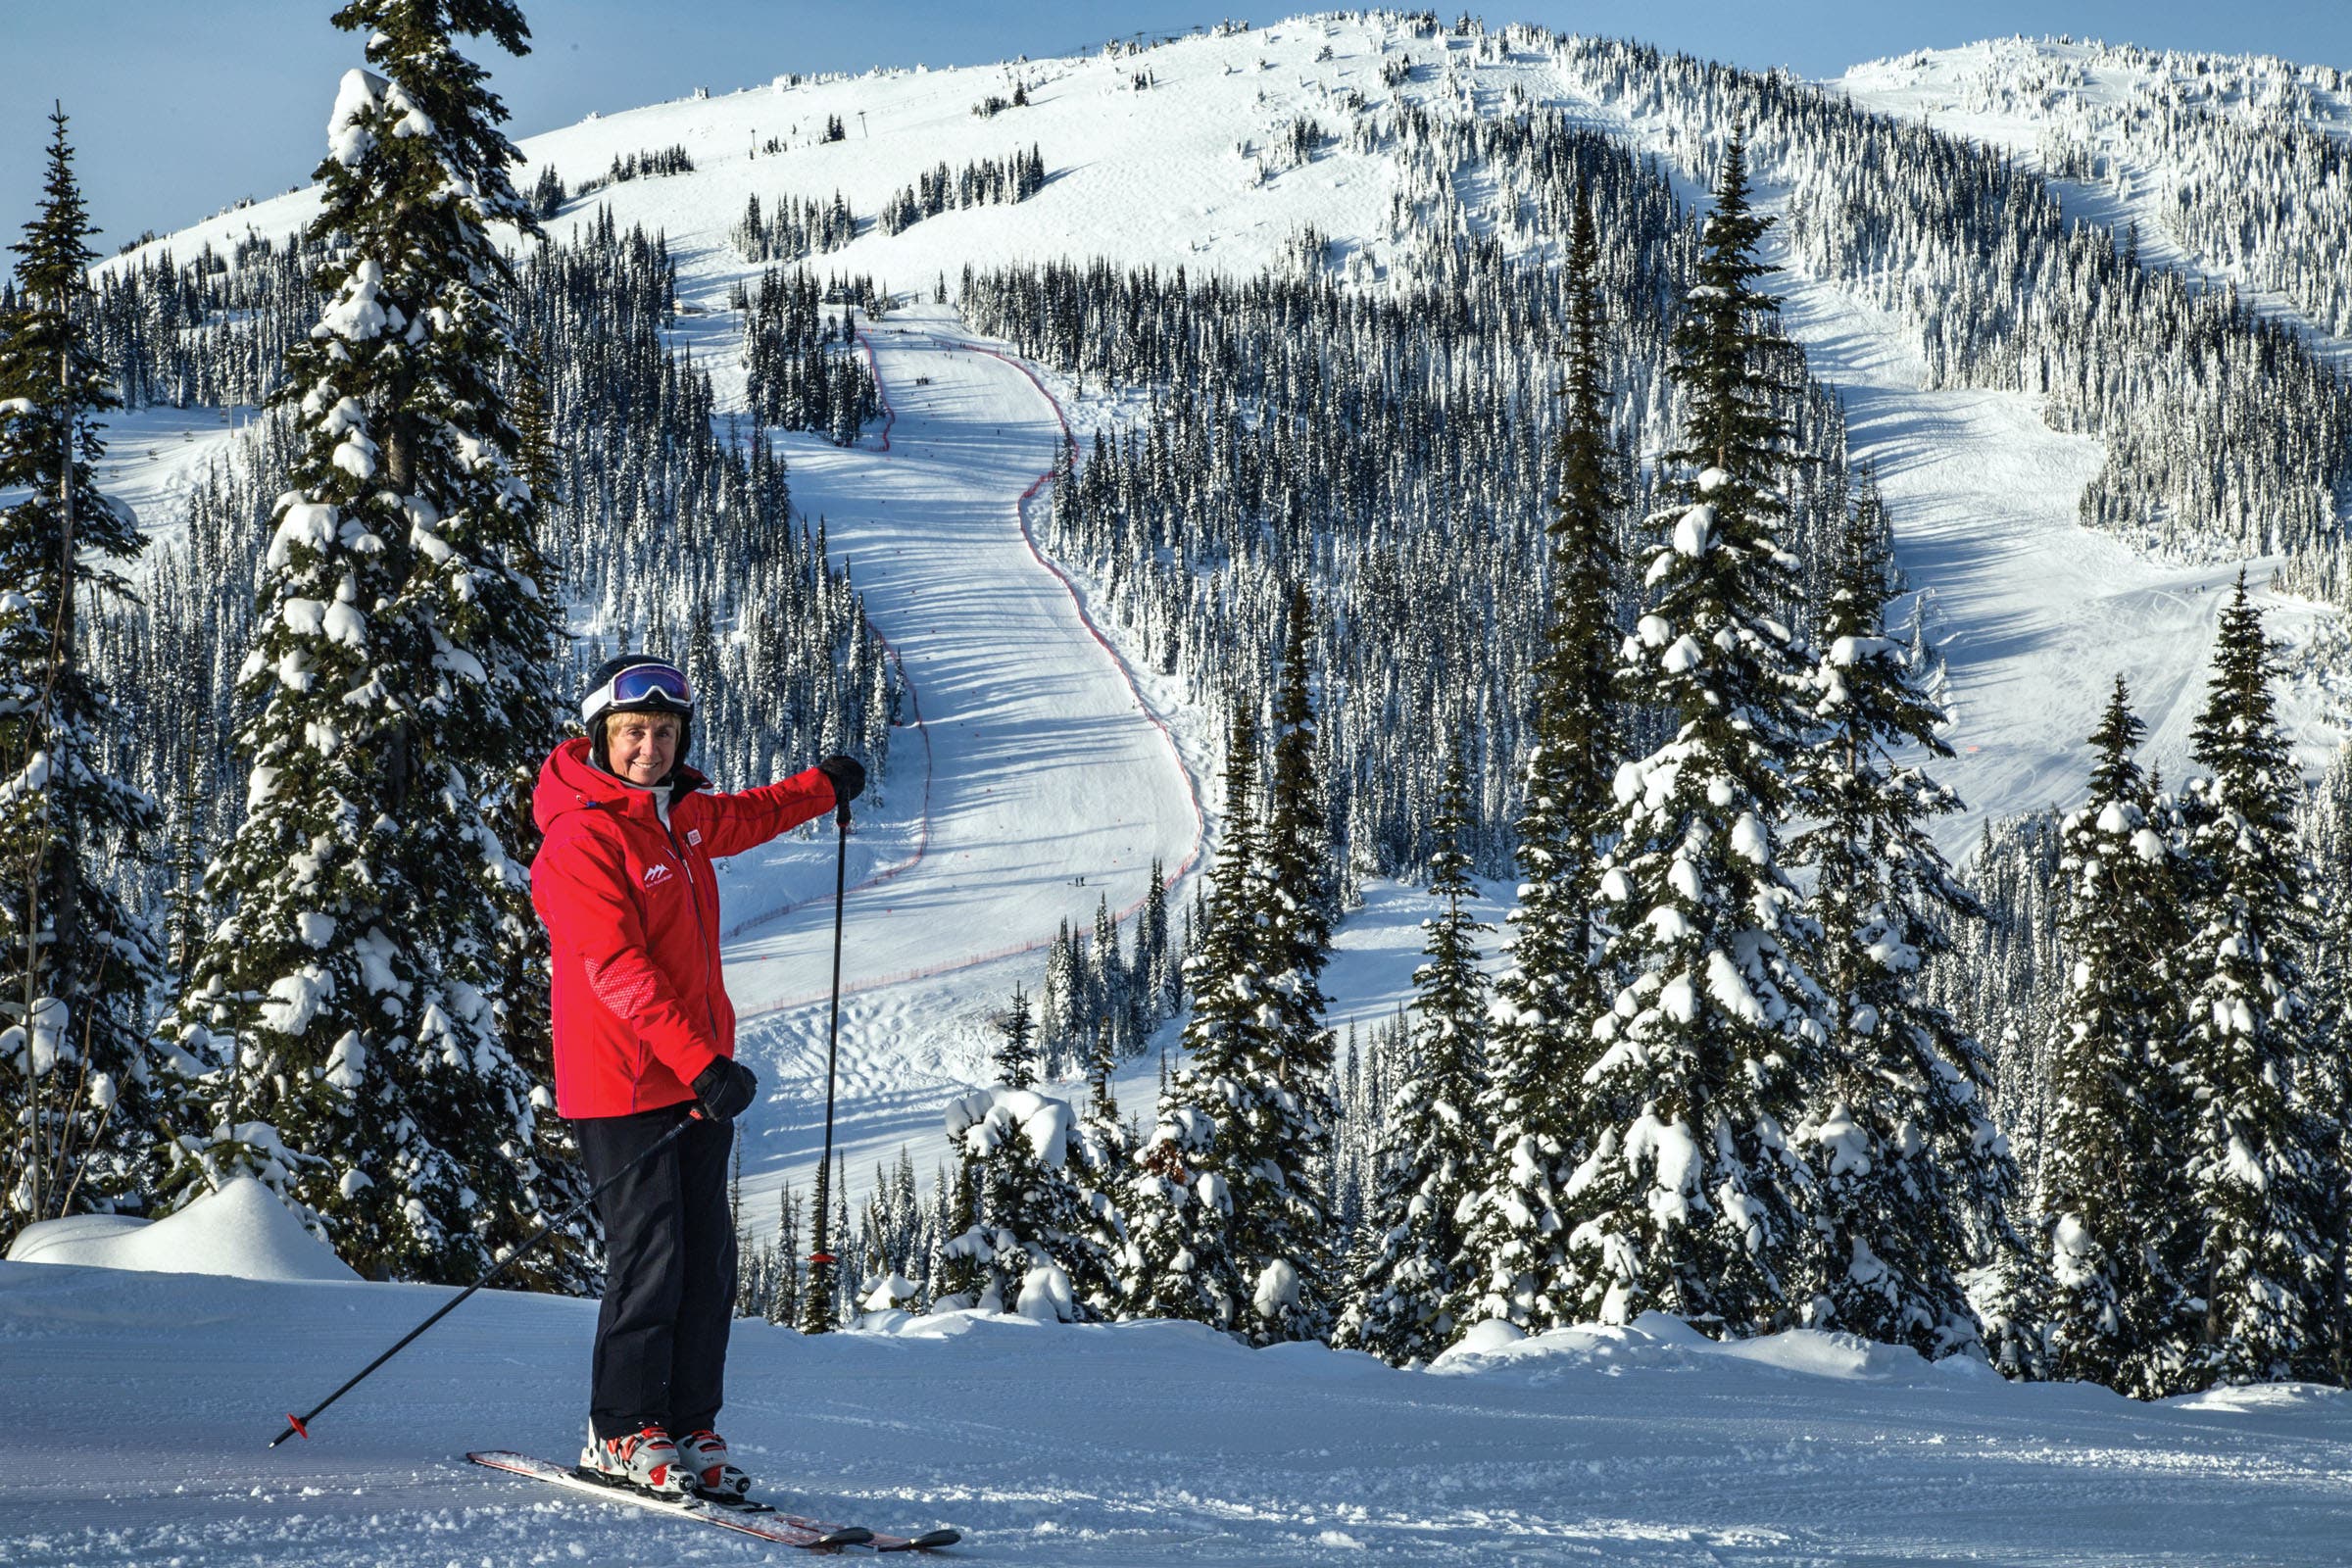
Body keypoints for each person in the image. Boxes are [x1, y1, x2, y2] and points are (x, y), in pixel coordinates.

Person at [531, 654, 865, 1500]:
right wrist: (703, 1061)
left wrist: (821, 788)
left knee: (708, 1263)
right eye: (633, 732)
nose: (650, 747)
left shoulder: (676, 819)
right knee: (653, 1258)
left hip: (692, 1081)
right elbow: (616, 969)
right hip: (622, 1085)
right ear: (600, 737)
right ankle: (619, 1431)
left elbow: (747, 815)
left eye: (665, 733)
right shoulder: (582, 838)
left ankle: (686, 1428)